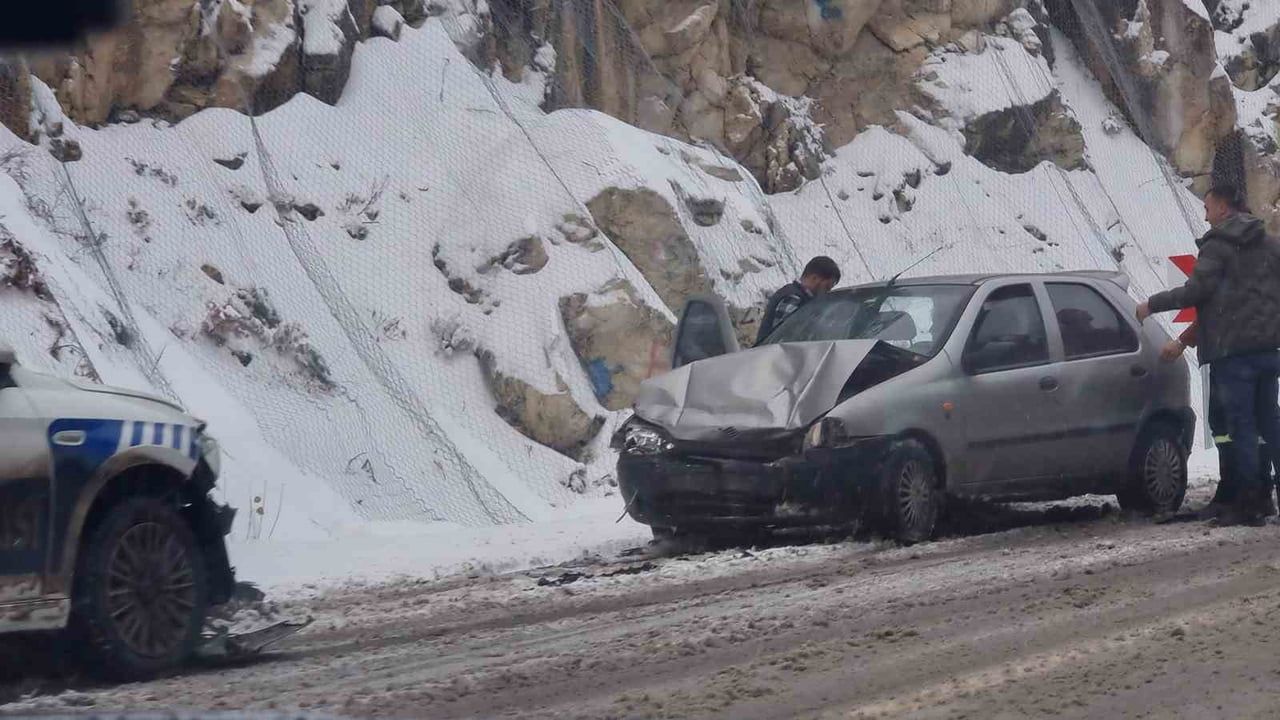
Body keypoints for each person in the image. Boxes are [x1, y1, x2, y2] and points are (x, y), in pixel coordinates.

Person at [1138, 184, 1280, 526]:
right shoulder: (1270, 243)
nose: (1204, 214)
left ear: (1222, 207)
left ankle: (1248, 504)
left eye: (1207, 206)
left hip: (1233, 354)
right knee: (1272, 424)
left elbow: (1197, 291)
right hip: (1268, 351)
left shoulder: (1218, 245)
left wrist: (1151, 304)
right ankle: (1263, 497)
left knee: (1241, 427)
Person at [1162, 322, 1276, 519]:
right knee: (1254, 424)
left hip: (1232, 355)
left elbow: (1217, 308)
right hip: (1252, 351)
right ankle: (1248, 493)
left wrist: (1182, 340)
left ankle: (1246, 495)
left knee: (1235, 424)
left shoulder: (1231, 295)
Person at [754, 256, 841, 345]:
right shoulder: (794, 298)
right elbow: (783, 335)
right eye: (826, 287)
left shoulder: (797, 295)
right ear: (814, 278)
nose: (827, 292)